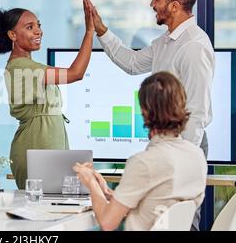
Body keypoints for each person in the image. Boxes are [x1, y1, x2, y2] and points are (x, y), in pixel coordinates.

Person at [88, 0, 214, 230]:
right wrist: (101, 29)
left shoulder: (194, 46)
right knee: (154, 219)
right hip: (168, 146)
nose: (151, 4)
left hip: (185, 146)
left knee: (179, 222)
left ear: (175, 5)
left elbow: (197, 112)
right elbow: (132, 63)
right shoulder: (165, 42)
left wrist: (178, 157)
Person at [73, 71, 207, 231]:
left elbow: (108, 223)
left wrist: (90, 183)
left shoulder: (144, 161)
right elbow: (157, 205)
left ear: (145, 111)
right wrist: (109, 194)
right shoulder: (197, 156)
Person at [0, 0, 95, 189]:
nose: (38, 31)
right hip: (37, 144)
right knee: (42, 208)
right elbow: (75, 73)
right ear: (12, 35)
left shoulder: (30, 65)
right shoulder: (22, 67)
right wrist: (89, 32)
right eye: (30, 27)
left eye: (39, 25)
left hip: (46, 142)